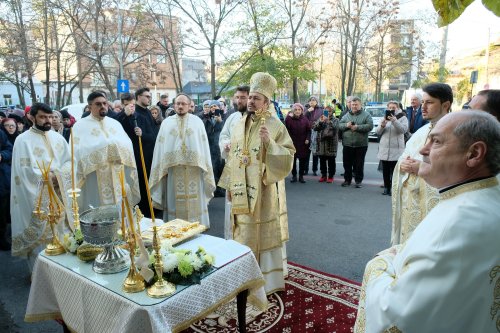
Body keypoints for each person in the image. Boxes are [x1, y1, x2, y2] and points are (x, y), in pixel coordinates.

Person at [354, 111, 500, 333]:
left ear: (474, 153)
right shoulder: (486, 195)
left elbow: (396, 312)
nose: (423, 149)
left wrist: (379, 264)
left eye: (437, 141)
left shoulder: (455, 225)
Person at [219, 72, 295, 294]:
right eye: (250, 97)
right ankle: (243, 278)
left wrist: (269, 144)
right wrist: (230, 186)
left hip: (263, 192)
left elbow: (289, 155)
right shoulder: (238, 123)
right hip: (240, 189)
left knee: (260, 233)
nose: (251, 101)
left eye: (256, 98)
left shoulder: (275, 125)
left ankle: (264, 283)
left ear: (267, 102)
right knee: (242, 231)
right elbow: (235, 156)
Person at [10, 103, 73, 271]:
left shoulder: (58, 138)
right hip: (38, 198)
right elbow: (22, 173)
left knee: (63, 233)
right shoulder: (22, 141)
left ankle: (65, 272)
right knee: (42, 242)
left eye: (50, 117)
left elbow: (68, 162)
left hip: (59, 195)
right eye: (43, 117)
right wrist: (47, 177)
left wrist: (58, 175)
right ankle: (40, 276)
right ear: (32, 117)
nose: (48, 120)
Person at [391, 83, 452, 245]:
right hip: (411, 205)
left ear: (446, 105)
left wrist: (421, 168)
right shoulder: (422, 131)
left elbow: (457, 173)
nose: (422, 107)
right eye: (422, 102)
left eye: (429, 102)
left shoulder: (456, 134)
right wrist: (402, 165)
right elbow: (404, 158)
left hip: (433, 210)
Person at [149, 93, 215, 227]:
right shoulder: (166, 123)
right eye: (178, 103)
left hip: (194, 171)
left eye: (183, 104)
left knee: (195, 203)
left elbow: (203, 147)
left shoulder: (197, 122)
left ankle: (197, 228)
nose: (180, 106)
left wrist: (205, 167)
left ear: (189, 106)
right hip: (174, 170)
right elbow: (160, 148)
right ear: (174, 105)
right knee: (174, 203)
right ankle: (175, 229)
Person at [71, 91, 140, 210]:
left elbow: (127, 144)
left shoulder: (115, 124)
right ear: (90, 107)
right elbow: (76, 152)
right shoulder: (79, 126)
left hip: (117, 173)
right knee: (100, 211)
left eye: (104, 103)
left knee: (120, 208)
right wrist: (104, 149)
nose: (102, 106)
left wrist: (117, 150)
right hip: (94, 177)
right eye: (98, 104)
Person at [115, 87, 159, 218]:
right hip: (137, 156)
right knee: (140, 183)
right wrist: (125, 115)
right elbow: (122, 129)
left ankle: (150, 208)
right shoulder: (130, 115)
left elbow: (151, 133)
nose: (149, 99)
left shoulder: (146, 113)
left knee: (148, 183)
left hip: (148, 154)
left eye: (150, 96)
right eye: (146, 96)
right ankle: (143, 211)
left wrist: (144, 134)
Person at [218, 86, 250, 240]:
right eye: (237, 97)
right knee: (232, 204)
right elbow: (224, 135)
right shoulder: (232, 117)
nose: (239, 100)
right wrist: (226, 144)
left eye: (243, 97)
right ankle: (232, 238)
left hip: (249, 170)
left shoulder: (258, 118)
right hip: (233, 168)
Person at [339, 96, 373, 188]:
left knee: (359, 164)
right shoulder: (346, 115)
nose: (354, 106)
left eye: (356, 104)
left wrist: (357, 127)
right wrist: (346, 125)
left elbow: (370, 126)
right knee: (347, 163)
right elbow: (339, 125)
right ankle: (347, 180)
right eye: (352, 104)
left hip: (361, 144)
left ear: (360, 105)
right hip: (347, 144)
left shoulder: (366, 115)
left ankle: (358, 181)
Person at [377, 101, 408, 195]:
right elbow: (378, 132)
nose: (391, 109)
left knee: (395, 171)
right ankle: (386, 187)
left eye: (393, 107)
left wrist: (394, 121)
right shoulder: (384, 117)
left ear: (397, 108)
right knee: (385, 170)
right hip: (385, 148)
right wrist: (382, 125)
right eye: (389, 107)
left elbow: (403, 130)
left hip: (396, 149)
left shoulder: (403, 117)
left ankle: (394, 188)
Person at [200, 100, 224, 197]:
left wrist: (220, 121)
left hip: (219, 147)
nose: (213, 108)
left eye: (215, 106)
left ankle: (220, 189)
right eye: (211, 106)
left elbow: (225, 131)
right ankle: (212, 188)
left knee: (220, 168)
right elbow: (204, 130)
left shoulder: (224, 116)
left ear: (219, 107)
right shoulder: (206, 117)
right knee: (212, 168)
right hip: (209, 146)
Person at [285, 103, 310, 183]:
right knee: (293, 160)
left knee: (303, 160)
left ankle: (301, 176)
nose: (297, 111)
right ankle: (294, 176)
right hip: (293, 143)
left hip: (303, 143)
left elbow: (309, 130)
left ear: (302, 111)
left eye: (299, 110)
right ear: (292, 110)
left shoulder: (305, 119)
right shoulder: (289, 119)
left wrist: (307, 138)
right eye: (295, 110)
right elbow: (286, 130)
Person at [313, 106, 339, 183]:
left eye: (329, 111)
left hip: (331, 143)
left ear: (332, 112)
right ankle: (323, 175)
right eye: (325, 111)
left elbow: (337, 128)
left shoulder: (336, 119)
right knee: (322, 160)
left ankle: (331, 176)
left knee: (331, 161)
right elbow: (314, 128)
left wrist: (329, 122)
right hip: (321, 143)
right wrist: (320, 122)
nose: (327, 113)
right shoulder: (321, 118)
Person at [0, 129, 13, 250]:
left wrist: (1, 156)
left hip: (1, 182)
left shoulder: (0, 133)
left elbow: (9, 149)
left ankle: (1, 239)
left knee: (1, 214)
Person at [304, 96, 323, 176]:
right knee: (306, 152)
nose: (312, 102)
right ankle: (305, 169)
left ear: (317, 102)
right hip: (307, 132)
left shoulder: (320, 109)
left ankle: (314, 169)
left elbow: (323, 119)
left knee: (315, 152)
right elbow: (302, 118)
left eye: (314, 100)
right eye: (311, 100)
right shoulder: (305, 109)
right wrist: (308, 111)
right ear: (308, 102)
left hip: (317, 132)